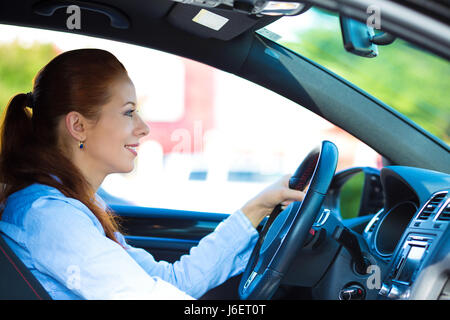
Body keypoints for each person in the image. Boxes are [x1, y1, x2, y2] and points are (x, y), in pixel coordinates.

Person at [0, 49, 305, 300]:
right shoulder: (51, 217)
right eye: (129, 112)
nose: (143, 128)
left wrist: (258, 207)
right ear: (78, 125)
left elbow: (171, 282)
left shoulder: (72, 205)